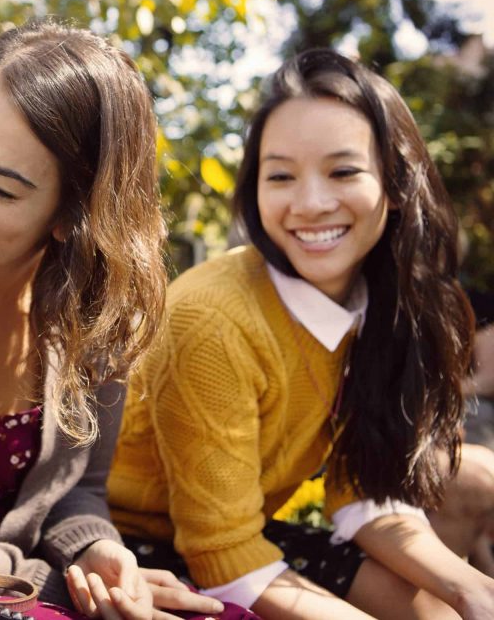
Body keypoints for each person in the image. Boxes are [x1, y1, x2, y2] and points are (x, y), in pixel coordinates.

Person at [0, 19, 227, 620]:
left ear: (72, 214)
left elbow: (78, 490)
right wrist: (47, 582)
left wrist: (98, 550)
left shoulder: (97, 322)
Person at [109, 48, 494, 619]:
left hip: (244, 537)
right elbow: (221, 552)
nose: (310, 204)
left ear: (395, 180)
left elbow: (361, 489)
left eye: (343, 171)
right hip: (133, 547)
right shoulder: (214, 319)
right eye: (281, 175)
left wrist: (470, 588)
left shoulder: (379, 305)